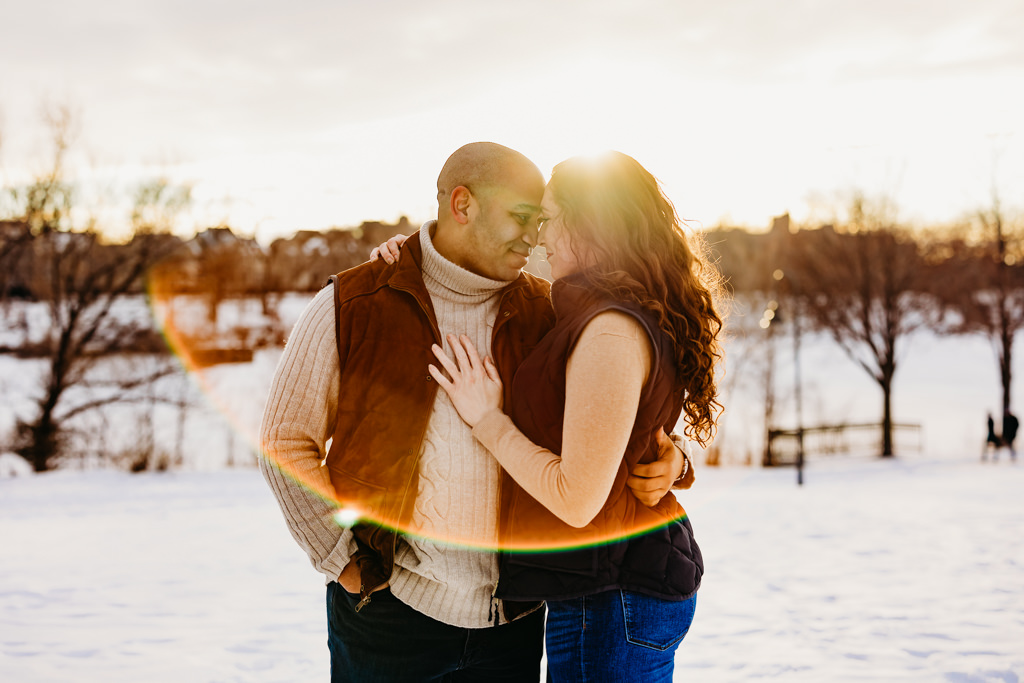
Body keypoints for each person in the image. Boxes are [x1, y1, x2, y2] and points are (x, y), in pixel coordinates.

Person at [259, 142, 689, 682]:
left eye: (542, 219)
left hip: (513, 620)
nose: (534, 235)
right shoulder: (356, 304)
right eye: (521, 216)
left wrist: (673, 458)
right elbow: (284, 443)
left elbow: (615, 403)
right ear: (462, 206)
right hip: (391, 617)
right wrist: (341, 562)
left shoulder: (546, 310)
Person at [422, 151, 721, 681]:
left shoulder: (608, 329)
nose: (540, 239)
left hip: (609, 597)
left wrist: (486, 419)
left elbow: (577, 499)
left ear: (591, 223)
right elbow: (629, 435)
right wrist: (676, 462)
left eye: (550, 219)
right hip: (616, 586)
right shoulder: (613, 312)